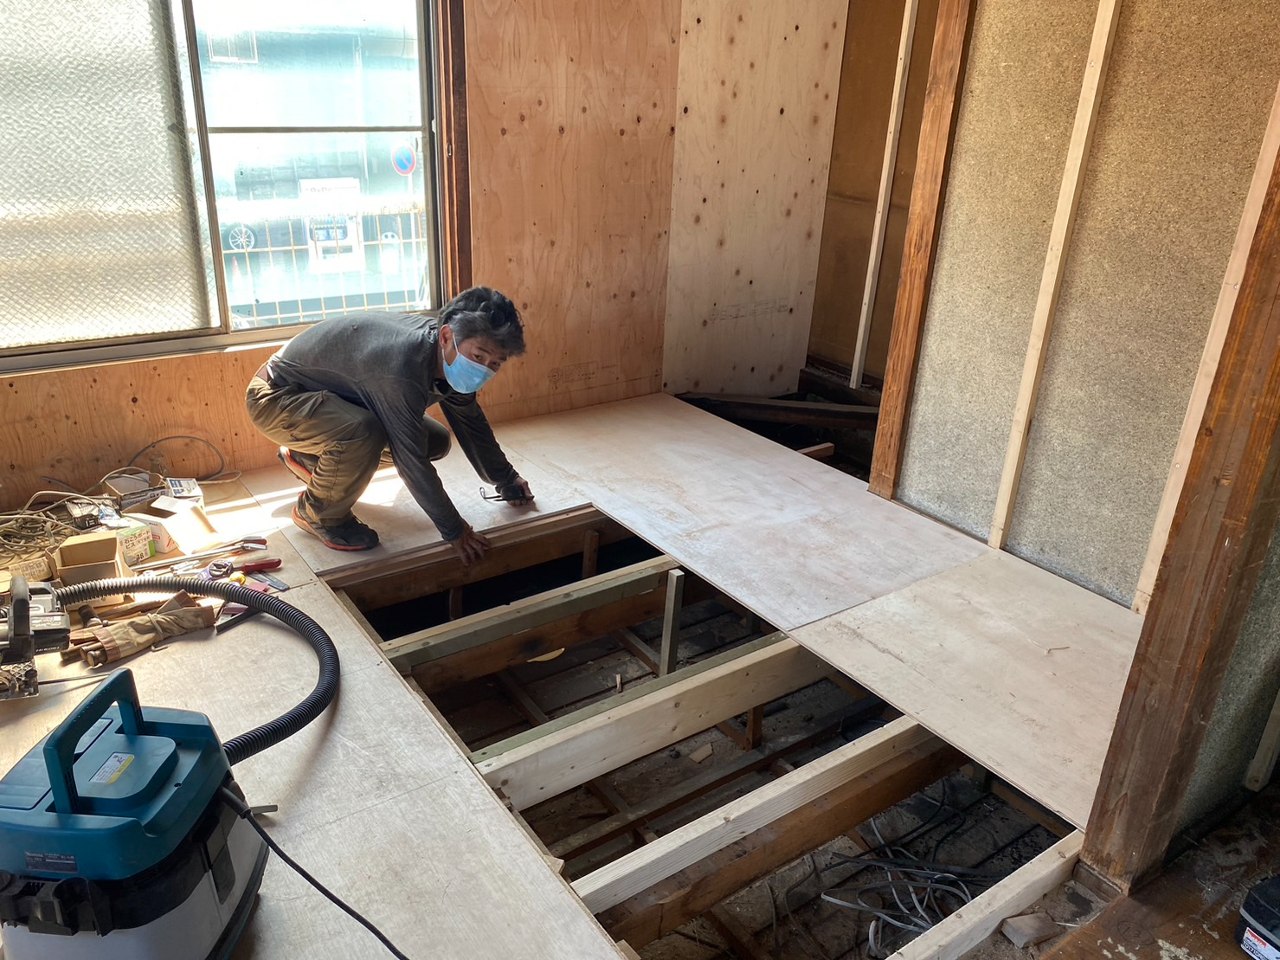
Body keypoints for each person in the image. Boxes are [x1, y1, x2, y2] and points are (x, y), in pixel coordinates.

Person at [244, 286, 533, 564]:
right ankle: (317, 513)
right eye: (479, 356)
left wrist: (506, 478)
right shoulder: (402, 367)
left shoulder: (450, 355)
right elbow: (410, 461)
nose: (482, 369)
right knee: (363, 433)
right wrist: (455, 531)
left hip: (332, 397)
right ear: (447, 335)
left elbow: (470, 421)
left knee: (435, 440)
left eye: (495, 363)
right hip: (278, 397)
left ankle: (312, 460)